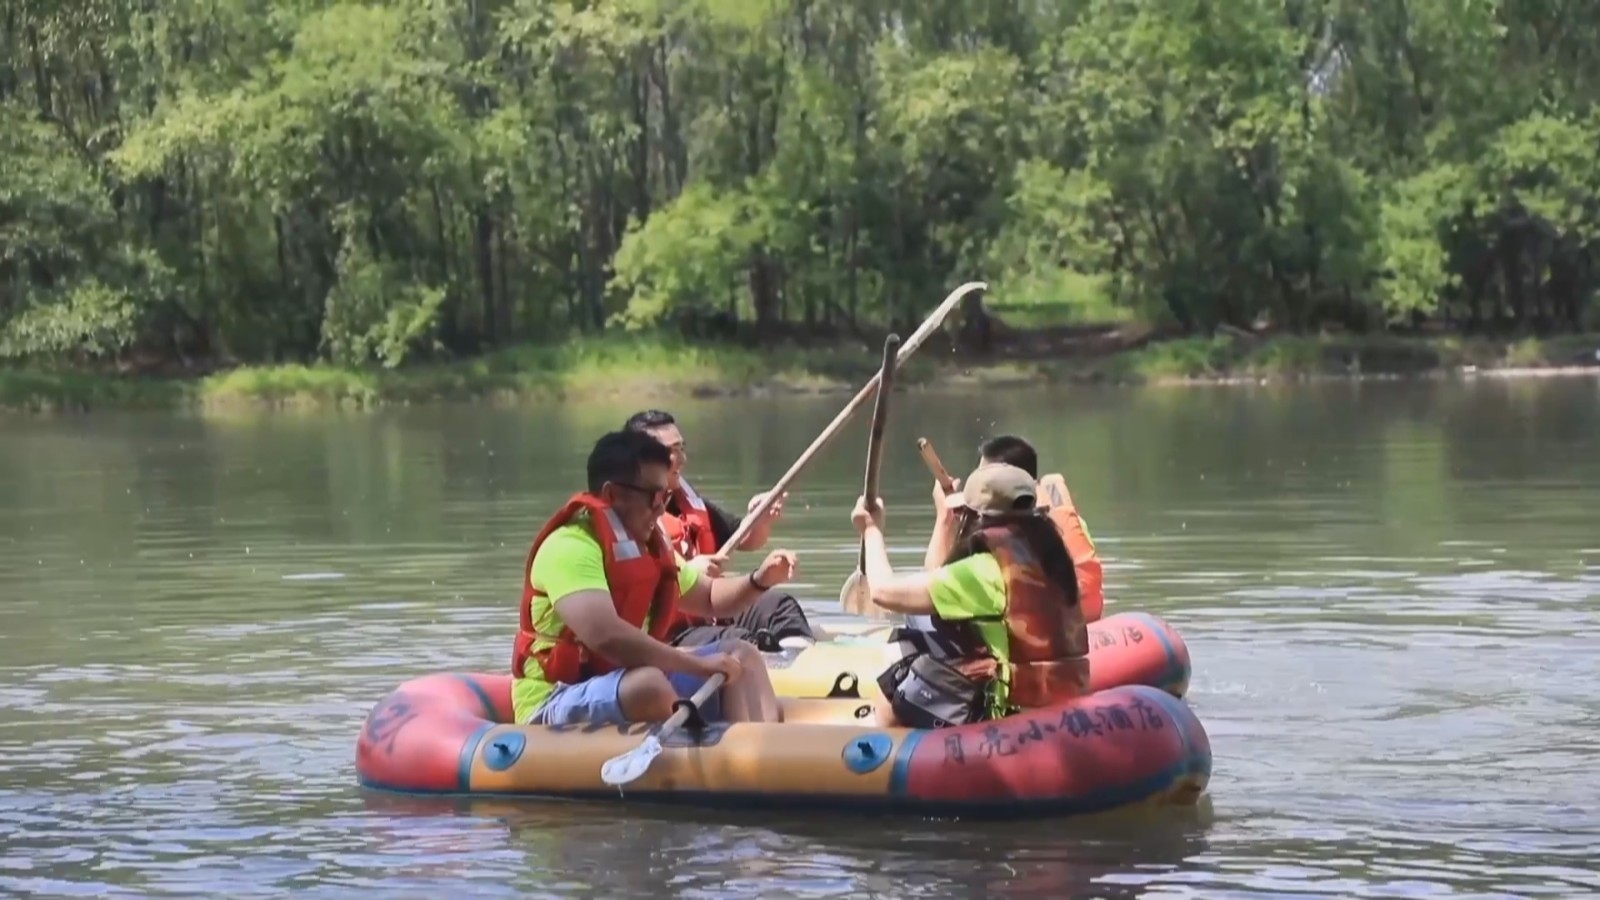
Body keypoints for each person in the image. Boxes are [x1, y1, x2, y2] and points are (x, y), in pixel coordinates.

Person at [510, 429, 795, 727]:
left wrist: (759, 580)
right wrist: (698, 665)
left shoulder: (647, 547)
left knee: (743, 654)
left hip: (622, 681)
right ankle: (695, 752)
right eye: (653, 497)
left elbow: (710, 597)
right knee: (648, 684)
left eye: (666, 495)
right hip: (555, 697)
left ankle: (760, 758)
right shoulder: (569, 547)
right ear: (611, 494)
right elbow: (606, 637)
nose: (661, 507)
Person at [850, 463, 1090, 729]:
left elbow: (884, 592)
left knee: (906, 664)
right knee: (926, 622)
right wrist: (944, 518)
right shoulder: (1050, 555)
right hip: (1058, 701)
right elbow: (938, 578)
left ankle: (882, 738)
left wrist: (872, 531)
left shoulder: (984, 570)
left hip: (1009, 712)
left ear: (979, 516)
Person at [623, 409, 819, 650]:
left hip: (710, 613)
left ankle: (800, 664)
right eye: (672, 452)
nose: (682, 459)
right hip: (668, 636)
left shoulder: (687, 502)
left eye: (682, 448)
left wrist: (761, 518)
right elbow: (626, 590)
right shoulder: (627, 517)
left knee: (779, 606)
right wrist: (689, 572)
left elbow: (745, 539)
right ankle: (769, 662)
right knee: (738, 641)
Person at [922, 434, 1105, 623]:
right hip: (1081, 621)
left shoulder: (1005, 533)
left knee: (922, 620)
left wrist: (944, 518)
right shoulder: (1055, 517)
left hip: (1040, 628)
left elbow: (935, 586)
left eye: (983, 481)